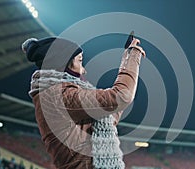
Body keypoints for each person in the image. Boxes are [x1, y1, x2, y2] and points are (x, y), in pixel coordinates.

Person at [22, 36, 145, 169]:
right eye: (80, 61)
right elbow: (121, 96)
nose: (83, 68)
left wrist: (127, 58)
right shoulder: (58, 95)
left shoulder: (58, 92)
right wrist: (132, 57)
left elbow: (110, 115)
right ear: (64, 64)